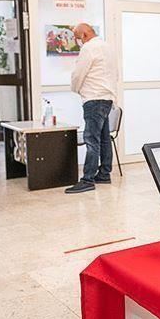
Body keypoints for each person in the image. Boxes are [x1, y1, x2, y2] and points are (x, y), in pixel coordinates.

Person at [65, 23, 118, 194]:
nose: (78, 41)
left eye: (78, 38)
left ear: (85, 35)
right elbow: (115, 73)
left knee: (91, 139)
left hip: (94, 98)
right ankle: (104, 174)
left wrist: (75, 89)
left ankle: (87, 179)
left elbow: (78, 74)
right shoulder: (108, 47)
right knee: (104, 138)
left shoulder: (88, 48)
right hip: (107, 97)